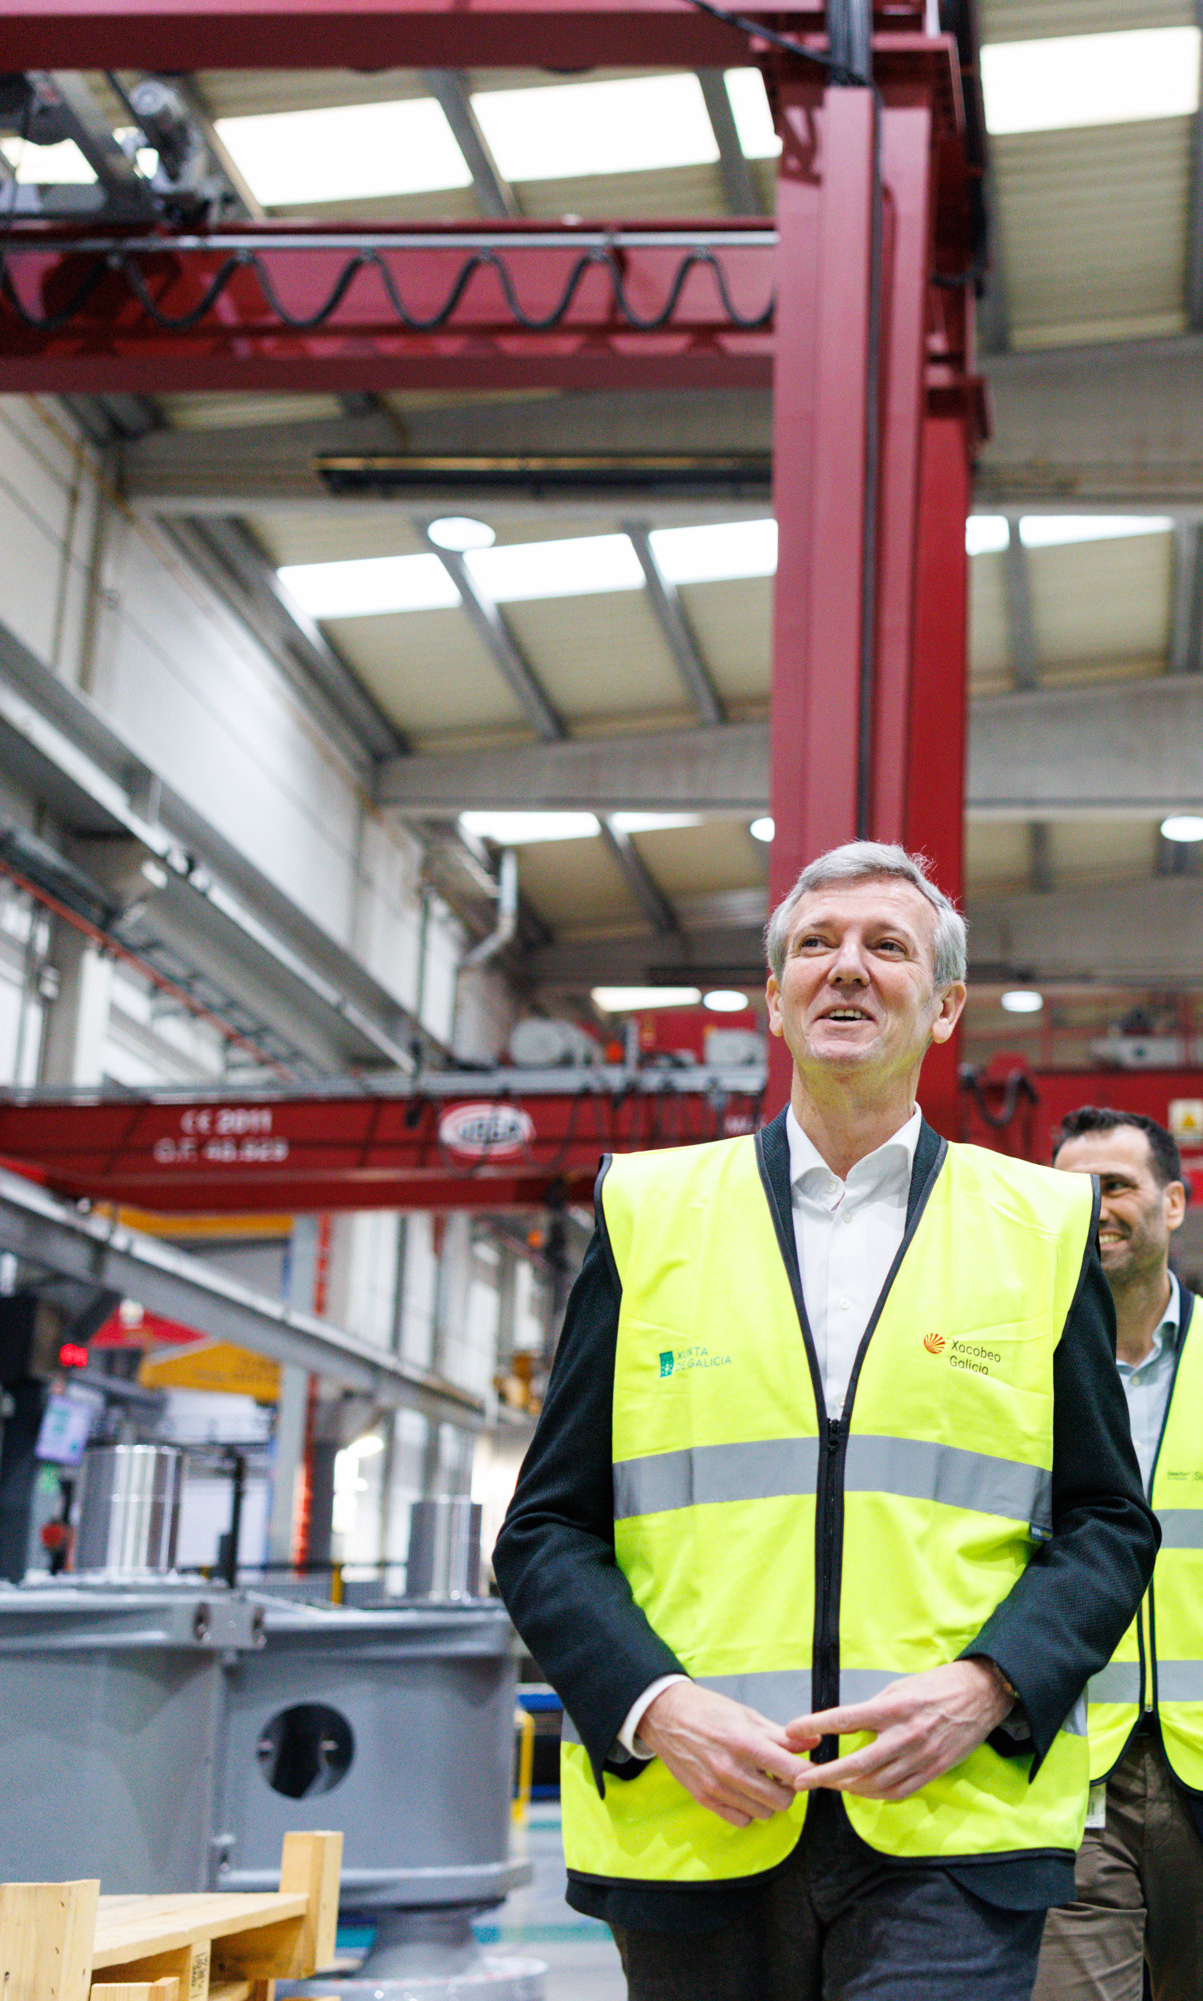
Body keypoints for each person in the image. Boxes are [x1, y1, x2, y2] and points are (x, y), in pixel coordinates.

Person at [494, 841, 1157, 2001]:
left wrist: (991, 1685)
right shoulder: (648, 1213)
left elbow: (1109, 1523)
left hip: (950, 1826)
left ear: (944, 1007)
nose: (847, 967)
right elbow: (546, 1531)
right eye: (816, 945)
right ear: (776, 998)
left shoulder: (1040, 1226)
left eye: (886, 946)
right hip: (698, 1815)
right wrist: (657, 1708)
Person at [1033, 1106, 1203, 2001]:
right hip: (1068, 1770)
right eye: (1075, 1189)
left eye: (1116, 1185)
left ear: (1174, 1203)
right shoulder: (1017, 1364)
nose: (1095, 1206)